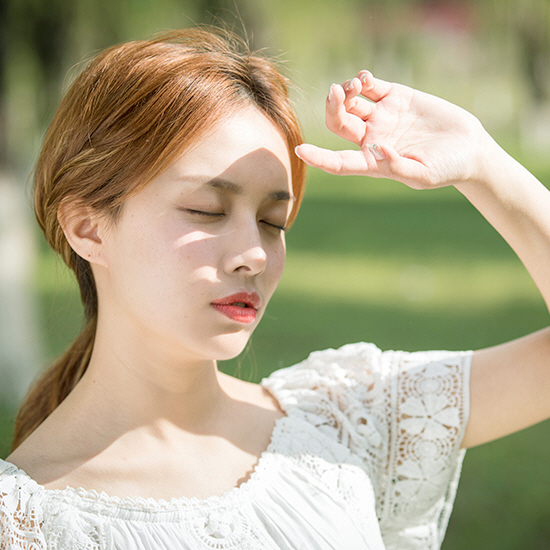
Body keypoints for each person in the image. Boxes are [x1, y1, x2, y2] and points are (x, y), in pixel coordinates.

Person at [1, 26, 549, 550]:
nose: (254, 254)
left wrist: (482, 162)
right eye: (206, 210)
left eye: (273, 222)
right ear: (88, 227)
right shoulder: (28, 522)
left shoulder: (344, 423)